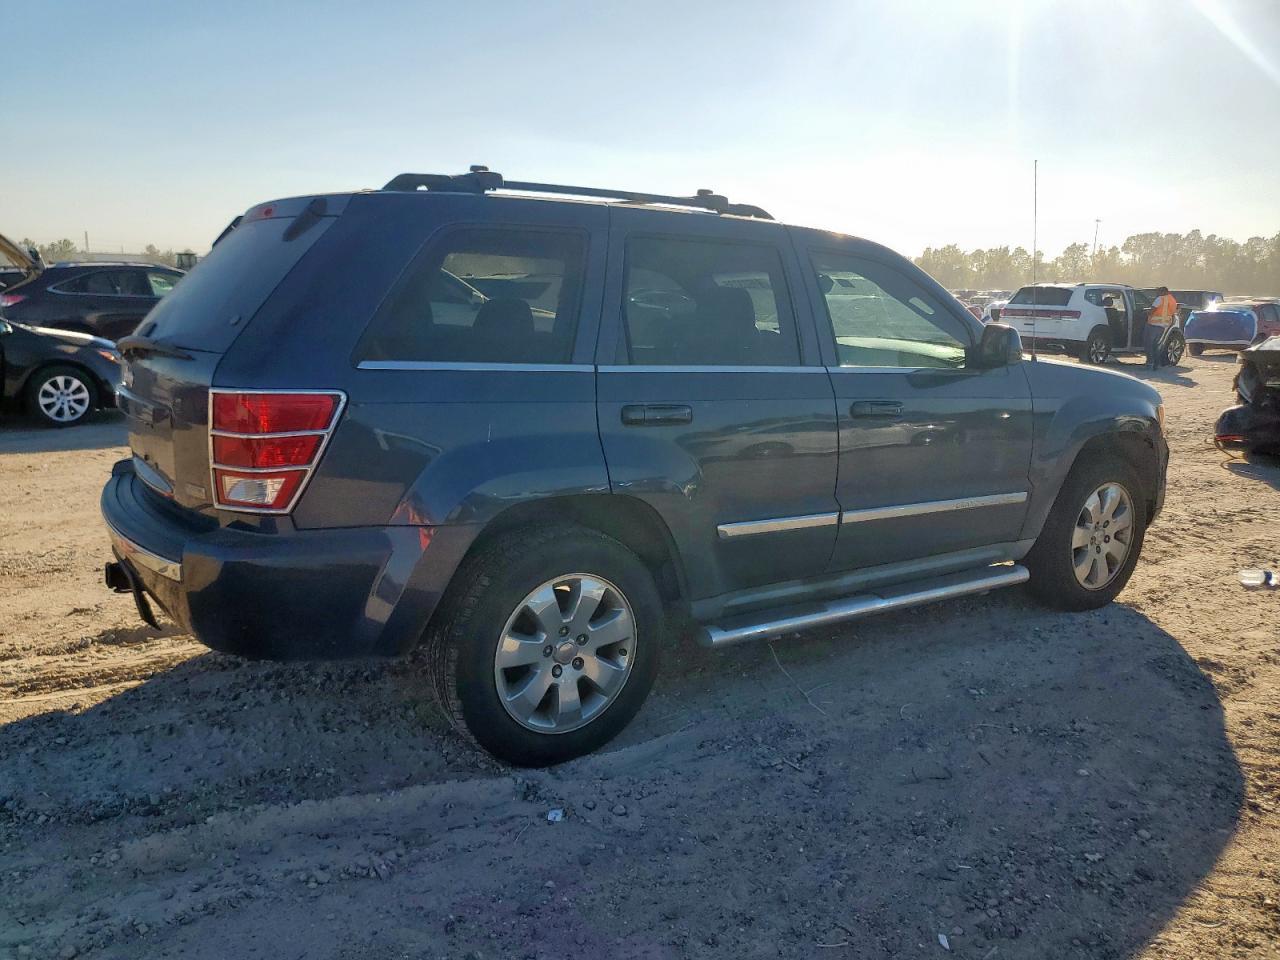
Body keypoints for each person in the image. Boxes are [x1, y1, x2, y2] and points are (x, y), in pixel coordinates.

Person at [1145, 286, 1179, 370]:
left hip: (1153, 325)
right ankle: (1156, 363)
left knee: (1149, 344)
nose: (1157, 294)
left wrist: (1147, 312)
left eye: (1158, 292)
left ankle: (1150, 363)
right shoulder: (1173, 300)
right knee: (1156, 345)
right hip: (1163, 326)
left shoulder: (1160, 299)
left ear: (1163, 291)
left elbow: (1152, 310)